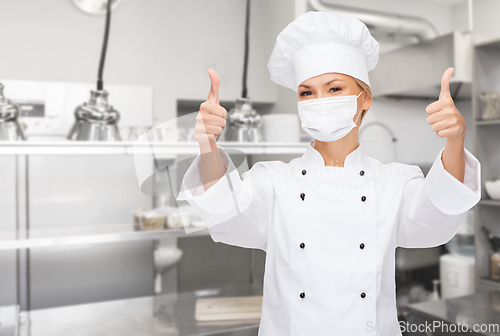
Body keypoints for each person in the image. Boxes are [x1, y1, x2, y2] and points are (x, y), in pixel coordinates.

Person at [176, 11, 481, 336]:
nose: (319, 101)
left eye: (334, 89)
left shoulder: (394, 182)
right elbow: (227, 215)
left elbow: (434, 222)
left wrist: (455, 140)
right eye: (307, 92)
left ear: (364, 98)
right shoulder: (275, 180)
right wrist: (207, 145)